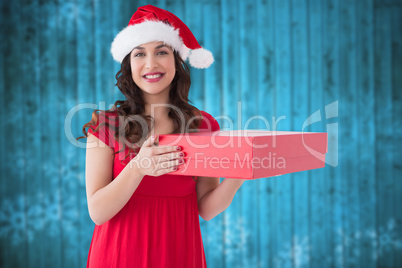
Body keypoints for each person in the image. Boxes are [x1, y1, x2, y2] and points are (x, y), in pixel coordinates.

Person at [78, 5, 245, 267]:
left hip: (180, 253)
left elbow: (206, 208)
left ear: (177, 62)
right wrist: (139, 168)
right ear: (129, 64)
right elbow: (98, 212)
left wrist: (238, 177)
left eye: (162, 52)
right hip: (119, 255)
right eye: (139, 54)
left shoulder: (202, 125)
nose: (151, 63)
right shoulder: (107, 126)